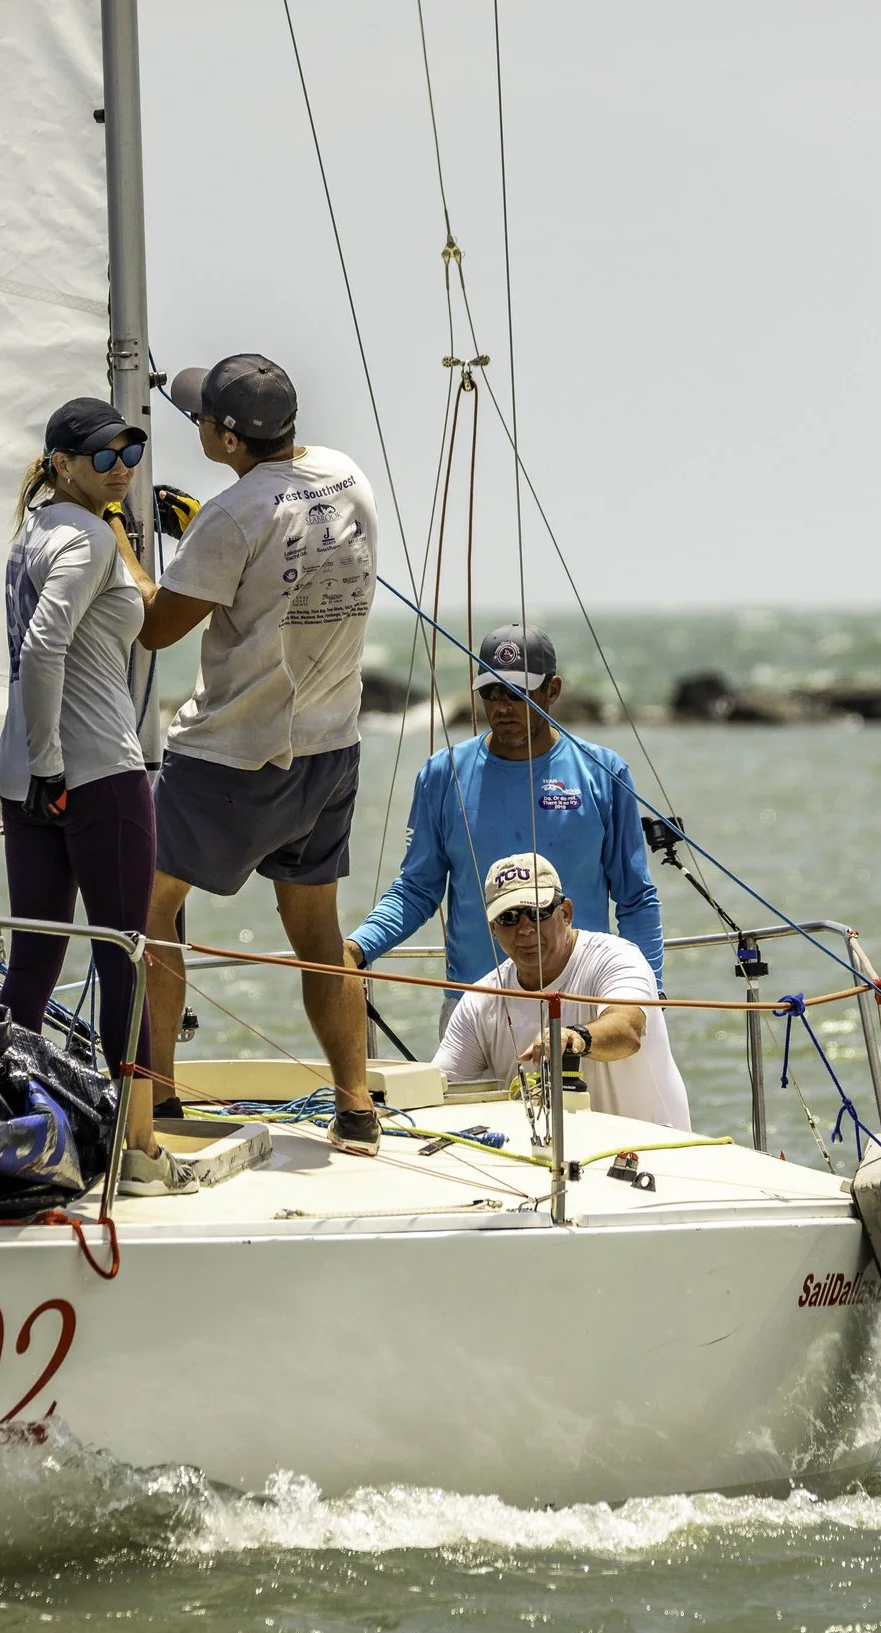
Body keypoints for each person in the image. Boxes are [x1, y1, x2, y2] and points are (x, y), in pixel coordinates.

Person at [136, 354, 385, 1154]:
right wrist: (202, 532)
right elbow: (281, 548)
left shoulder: (232, 516)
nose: (196, 425)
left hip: (235, 757)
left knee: (147, 908)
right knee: (317, 933)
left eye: (202, 419)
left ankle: (158, 1100)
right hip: (330, 748)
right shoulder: (347, 475)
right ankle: (356, 1108)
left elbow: (156, 626)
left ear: (229, 438)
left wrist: (124, 543)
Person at [0, 396, 190, 1196]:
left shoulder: (35, 533)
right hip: (96, 772)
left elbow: (45, 644)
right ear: (63, 464)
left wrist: (39, 767)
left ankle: (5, 1131)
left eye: (131, 452)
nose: (122, 467)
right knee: (124, 957)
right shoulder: (86, 538)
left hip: (23, 775)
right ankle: (138, 1148)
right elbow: (46, 644)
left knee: (33, 963)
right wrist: (54, 765)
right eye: (105, 456)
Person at [346, 624, 663, 1038]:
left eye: (517, 692)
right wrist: (358, 947)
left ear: (552, 690)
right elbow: (417, 888)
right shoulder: (442, 774)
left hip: (580, 1010)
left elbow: (636, 898)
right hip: (473, 1010)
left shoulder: (603, 772)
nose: (503, 706)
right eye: (491, 692)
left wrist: (646, 998)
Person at [435, 853, 691, 1131]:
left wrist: (576, 1037)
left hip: (652, 1147)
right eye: (509, 917)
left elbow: (629, 1030)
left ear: (566, 913)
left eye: (538, 912)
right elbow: (441, 1088)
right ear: (493, 928)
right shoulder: (478, 1002)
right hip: (549, 1152)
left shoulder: (617, 958)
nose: (525, 929)